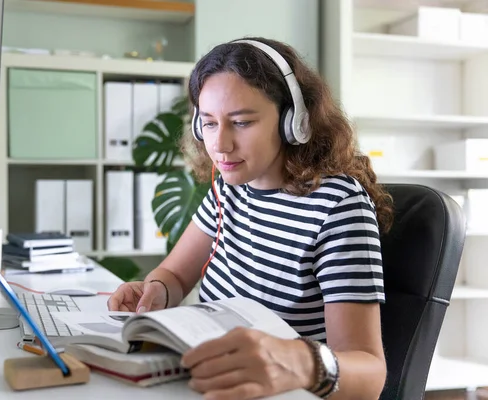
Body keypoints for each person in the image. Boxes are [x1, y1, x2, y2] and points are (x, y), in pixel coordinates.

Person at [108, 36, 393, 400]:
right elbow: (176, 274)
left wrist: (299, 362)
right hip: (213, 379)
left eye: (241, 122)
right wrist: (155, 293)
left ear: (294, 121)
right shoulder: (228, 190)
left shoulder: (338, 207)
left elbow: (369, 374)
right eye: (208, 123)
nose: (220, 145)